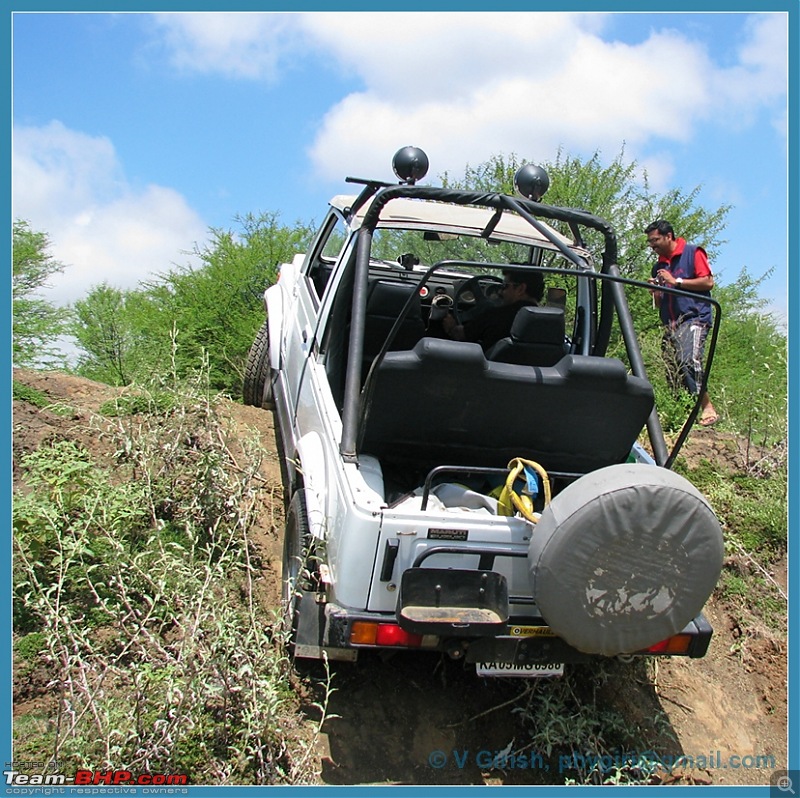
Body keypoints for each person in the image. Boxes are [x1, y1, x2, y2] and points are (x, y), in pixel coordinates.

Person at [645, 220, 719, 427]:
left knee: (688, 360)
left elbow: (708, 282)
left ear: (669, 236)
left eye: (655, 240)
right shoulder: (658, 266)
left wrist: (675, 281)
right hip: (671, 322)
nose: (652, 245)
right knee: (672, 368)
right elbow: (659, 301)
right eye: (650, 242)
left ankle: (707, 407)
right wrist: (656, 291)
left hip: (694, 317)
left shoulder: (693, 253)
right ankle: (684, 415)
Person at [441, 269, 544, 351]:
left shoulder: (497, 315)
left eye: (505, 286)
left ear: (520, 289)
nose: (500, 291)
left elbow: (461, 335)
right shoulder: (548, 324)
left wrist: (451, 327)